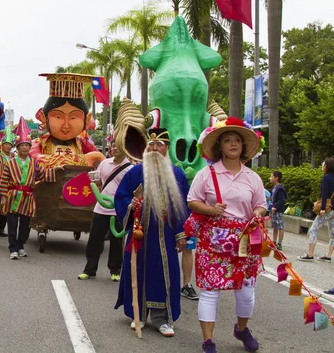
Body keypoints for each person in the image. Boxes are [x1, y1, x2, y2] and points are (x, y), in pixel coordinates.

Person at [186, 117, 267, 353]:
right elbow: (192, 201)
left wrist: (257, 213)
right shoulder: (206, 174)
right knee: (210, 293)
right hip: (213, 243)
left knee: (246, 294)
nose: (233, 144)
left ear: (243, 147)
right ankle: (208, 341)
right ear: (219, 146)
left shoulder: (253, 178)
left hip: (244, 242)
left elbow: (261, 205)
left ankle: (242, 329)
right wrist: (211, 210)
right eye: (227, 140)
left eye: (237, 141)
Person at [114, 128, 190, 337]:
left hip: (165, 236)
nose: (155, 148)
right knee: (136, 270)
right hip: (140, 232)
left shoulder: (177, 174)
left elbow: (184, 205)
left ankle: (163, 319)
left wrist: (181, 234)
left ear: (167, 148)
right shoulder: (135, 172)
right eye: (152, 145)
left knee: (164, 274)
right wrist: (132, 205)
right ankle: (137, 315)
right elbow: (120, 197)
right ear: (146, 148)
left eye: (160, 145)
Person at [0, 117, 61, 260]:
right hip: (13, 195)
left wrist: (56, 170)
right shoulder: (10, 164)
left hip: (27, 197)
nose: (25, 147)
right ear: (18, 147)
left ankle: (21, 246)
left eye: (27, 145)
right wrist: (2, 197)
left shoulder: (34, 163)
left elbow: (43, 175)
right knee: (12, 224)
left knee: (26, 225)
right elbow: (4, 180)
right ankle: (13, 248)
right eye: (22, 145)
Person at [78, 139, 130, 282]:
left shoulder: (130, 168)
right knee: (95, 239)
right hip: (101, 208)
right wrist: (95, 183)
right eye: (114, 146)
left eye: (119, 146)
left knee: (116, 241)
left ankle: (115, 270)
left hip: (119, 209)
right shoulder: (105, 163)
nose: (115, 148)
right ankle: (89, 270)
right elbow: (99, 182)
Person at [299, 158, 334, 262]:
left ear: (327, 166)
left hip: (326, 209)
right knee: (332, 233)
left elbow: (324, 194)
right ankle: (328, 255)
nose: (322, 166)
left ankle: (310, 254)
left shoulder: (326, 177)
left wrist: (323, 208)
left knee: (314, 229)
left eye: (323, 165)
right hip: (333, 209)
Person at [0, 126, 16, 237]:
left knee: (7, 207)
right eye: (6, 144)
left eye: (10, 145)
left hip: (11, 186)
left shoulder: (14, 156)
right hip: (0, 183)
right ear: (2, 145)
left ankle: (1, 228)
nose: (8, 146)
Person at [269, 171, 286, 250]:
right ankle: (274, 242)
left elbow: (282, 200)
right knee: (275, 226)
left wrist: (275, 206)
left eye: (272, 176)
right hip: (274, 210)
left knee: (280, 226)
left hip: (278, 210)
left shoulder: (280, 189)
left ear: (276, 178)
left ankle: (280, 243)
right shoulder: (274, 188)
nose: (270, 178)